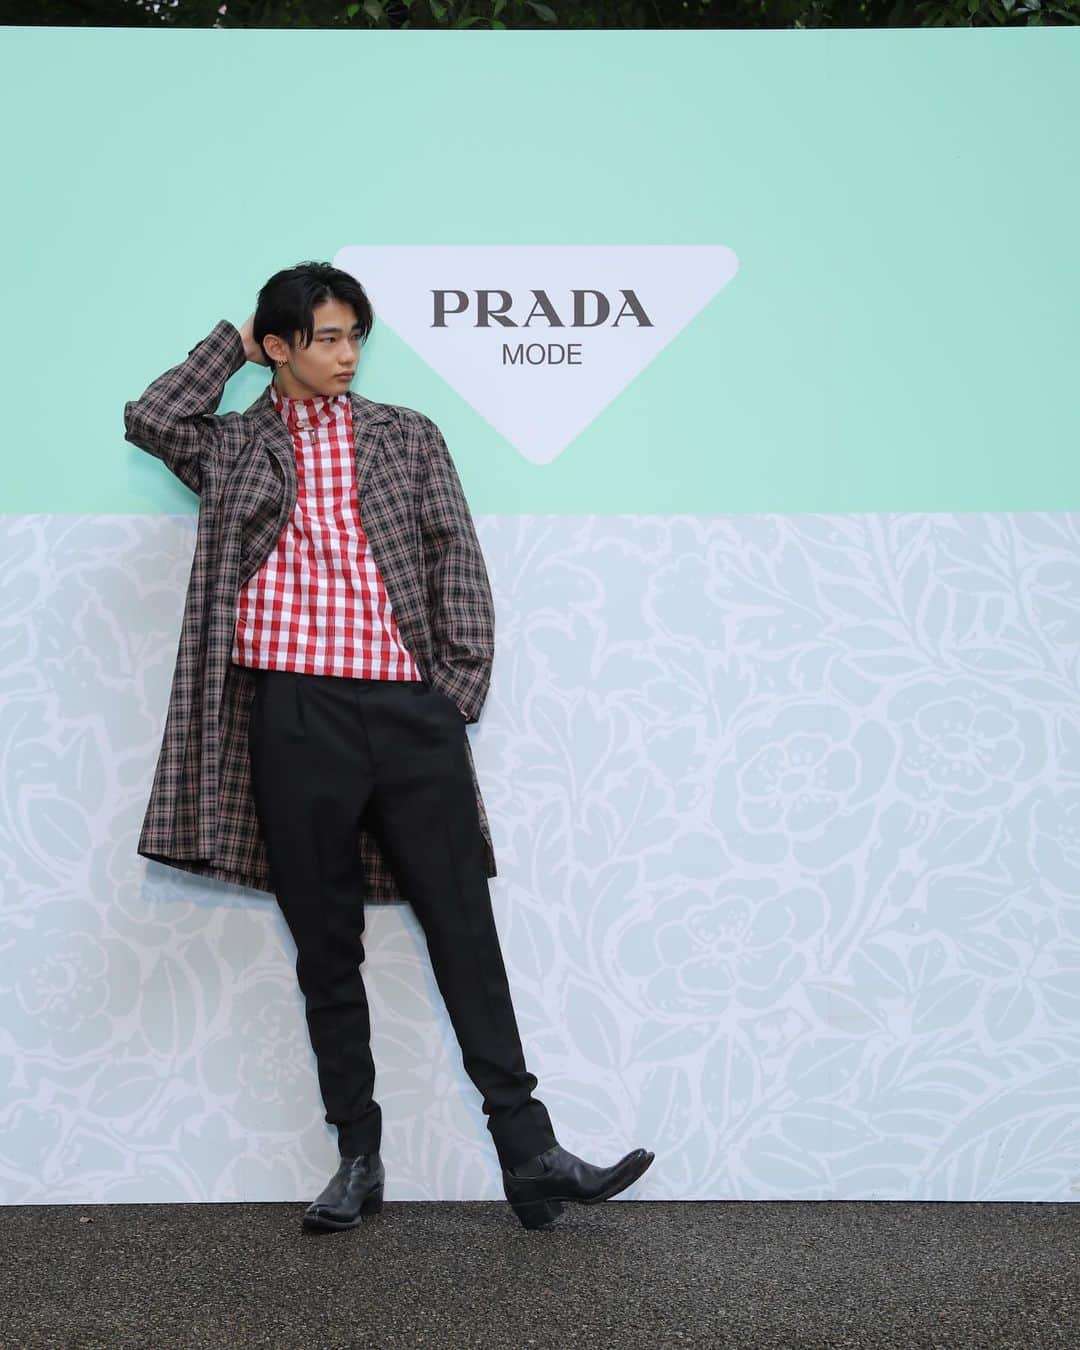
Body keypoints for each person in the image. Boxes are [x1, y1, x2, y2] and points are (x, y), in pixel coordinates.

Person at [122, 260, 654, 1232]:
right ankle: (358, 1159)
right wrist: (232, 345)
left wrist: (451, 696)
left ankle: (529, 1153)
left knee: (463, 929)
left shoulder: (406, 436)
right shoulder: (233, 448)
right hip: (293, 717)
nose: (347, 356)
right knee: (326, 947)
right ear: (279, 346)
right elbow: (153, 417)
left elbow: (455, 557)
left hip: (408, 714)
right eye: (326, 338)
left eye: (354, 337)